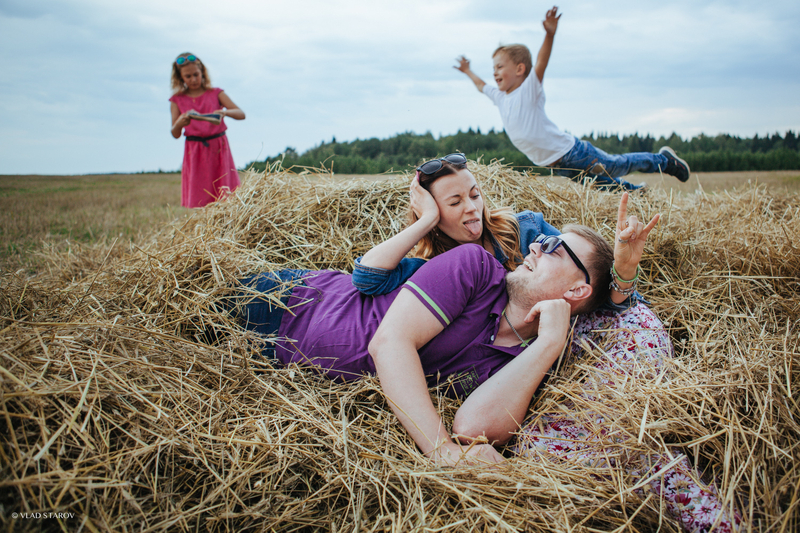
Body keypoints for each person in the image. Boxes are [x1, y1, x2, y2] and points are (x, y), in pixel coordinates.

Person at [232, 192, 657, 465]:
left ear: (578, 290)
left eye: (552, 248)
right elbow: (389, 343)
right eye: (542, 239)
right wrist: (442, 452)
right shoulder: (477, 268)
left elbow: (472, 428)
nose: (534, 245)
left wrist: (548, 343)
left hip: (281, 370)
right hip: (281, 306)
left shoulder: (527, 362)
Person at [352, 153, 656, 312]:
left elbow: (601, 295)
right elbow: (367, 278)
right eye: (454, 202)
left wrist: (624, 269)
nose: (472, 208)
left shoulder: (528, 231)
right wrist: (426, 220)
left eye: (474, 194)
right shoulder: (437, 267)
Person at [454, 6, 691, 191]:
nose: (494, 72)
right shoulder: (500, 97)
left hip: (574, 153)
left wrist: (549, 34)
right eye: (493, 68)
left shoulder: (529, 89)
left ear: (519, 69)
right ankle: (638, 194)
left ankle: (665, 161)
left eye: (499, 67)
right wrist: (467, 71)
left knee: (617, 165)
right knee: (603, 186)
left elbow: (542, 62)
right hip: (558, 165)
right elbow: (481, 85)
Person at [169, 52, 245, 208]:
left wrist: (225, 113)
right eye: (188, 76)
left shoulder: (216, 93)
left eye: (196, 75)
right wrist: (180, 123)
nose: (193, 79)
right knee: (200, 199)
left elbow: (241, 114)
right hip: (195, 151)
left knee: (225, 197)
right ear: (180, 78)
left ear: (202, 72)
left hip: (218, 148)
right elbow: (175, 133)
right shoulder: (177, 100)